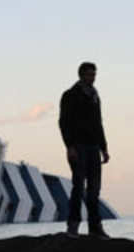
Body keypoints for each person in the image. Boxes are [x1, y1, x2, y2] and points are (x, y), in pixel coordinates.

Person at [59, 62, 110, 238]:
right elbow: (64, 123)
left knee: (94, 189)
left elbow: (98, 124)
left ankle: (95, 227)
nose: (92, 78)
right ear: (81, 75)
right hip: (78, 147)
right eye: (89, 75)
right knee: (78, 187)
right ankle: (73, 226)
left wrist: (104, 147)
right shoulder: (70, 95)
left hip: (93, 146)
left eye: (94, 75)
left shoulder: (95, 96)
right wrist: (69, 146)